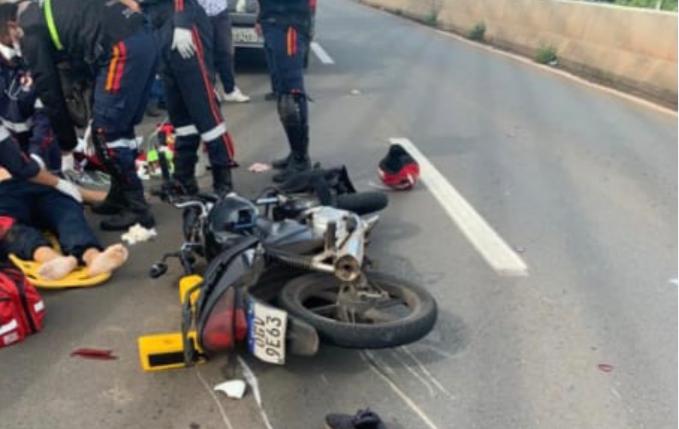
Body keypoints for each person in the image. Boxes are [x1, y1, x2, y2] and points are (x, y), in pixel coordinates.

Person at [0, 0, 160, 231]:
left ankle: (138, 209)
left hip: (121, 49)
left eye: (7, 40)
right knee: (118, 128)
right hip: (139, 38)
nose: (14, 46)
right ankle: (120, 195)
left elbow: (49, 90)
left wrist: (66, 144)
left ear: (11, 24)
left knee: (106, 133)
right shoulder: (39, 8)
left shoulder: (28, 28)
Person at [139, 0, 237, 196]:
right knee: (179, 112)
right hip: (158, 24)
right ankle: (184, 179)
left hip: (182, 23)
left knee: (205, 109)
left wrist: (182, 23)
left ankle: (223, 181)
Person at [0, 140, 128, 281]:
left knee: (67, 213)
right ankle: (52, 259)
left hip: (38, 182)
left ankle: (93, 256)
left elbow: (33, 166)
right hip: (8, 195)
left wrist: (72, 189)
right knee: (12, 231)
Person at [257, 0, 313, 183]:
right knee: (282, 90)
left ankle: (301, 160)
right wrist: (261, 18)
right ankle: (296, 153)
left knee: (292, 92)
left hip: (289, 24)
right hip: (273, 22)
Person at [196, 0, 250, 103]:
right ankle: (211, 91)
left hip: (220, 12)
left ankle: (230, 90)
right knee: (206, 55)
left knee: (226, 51)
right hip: (201, 15)